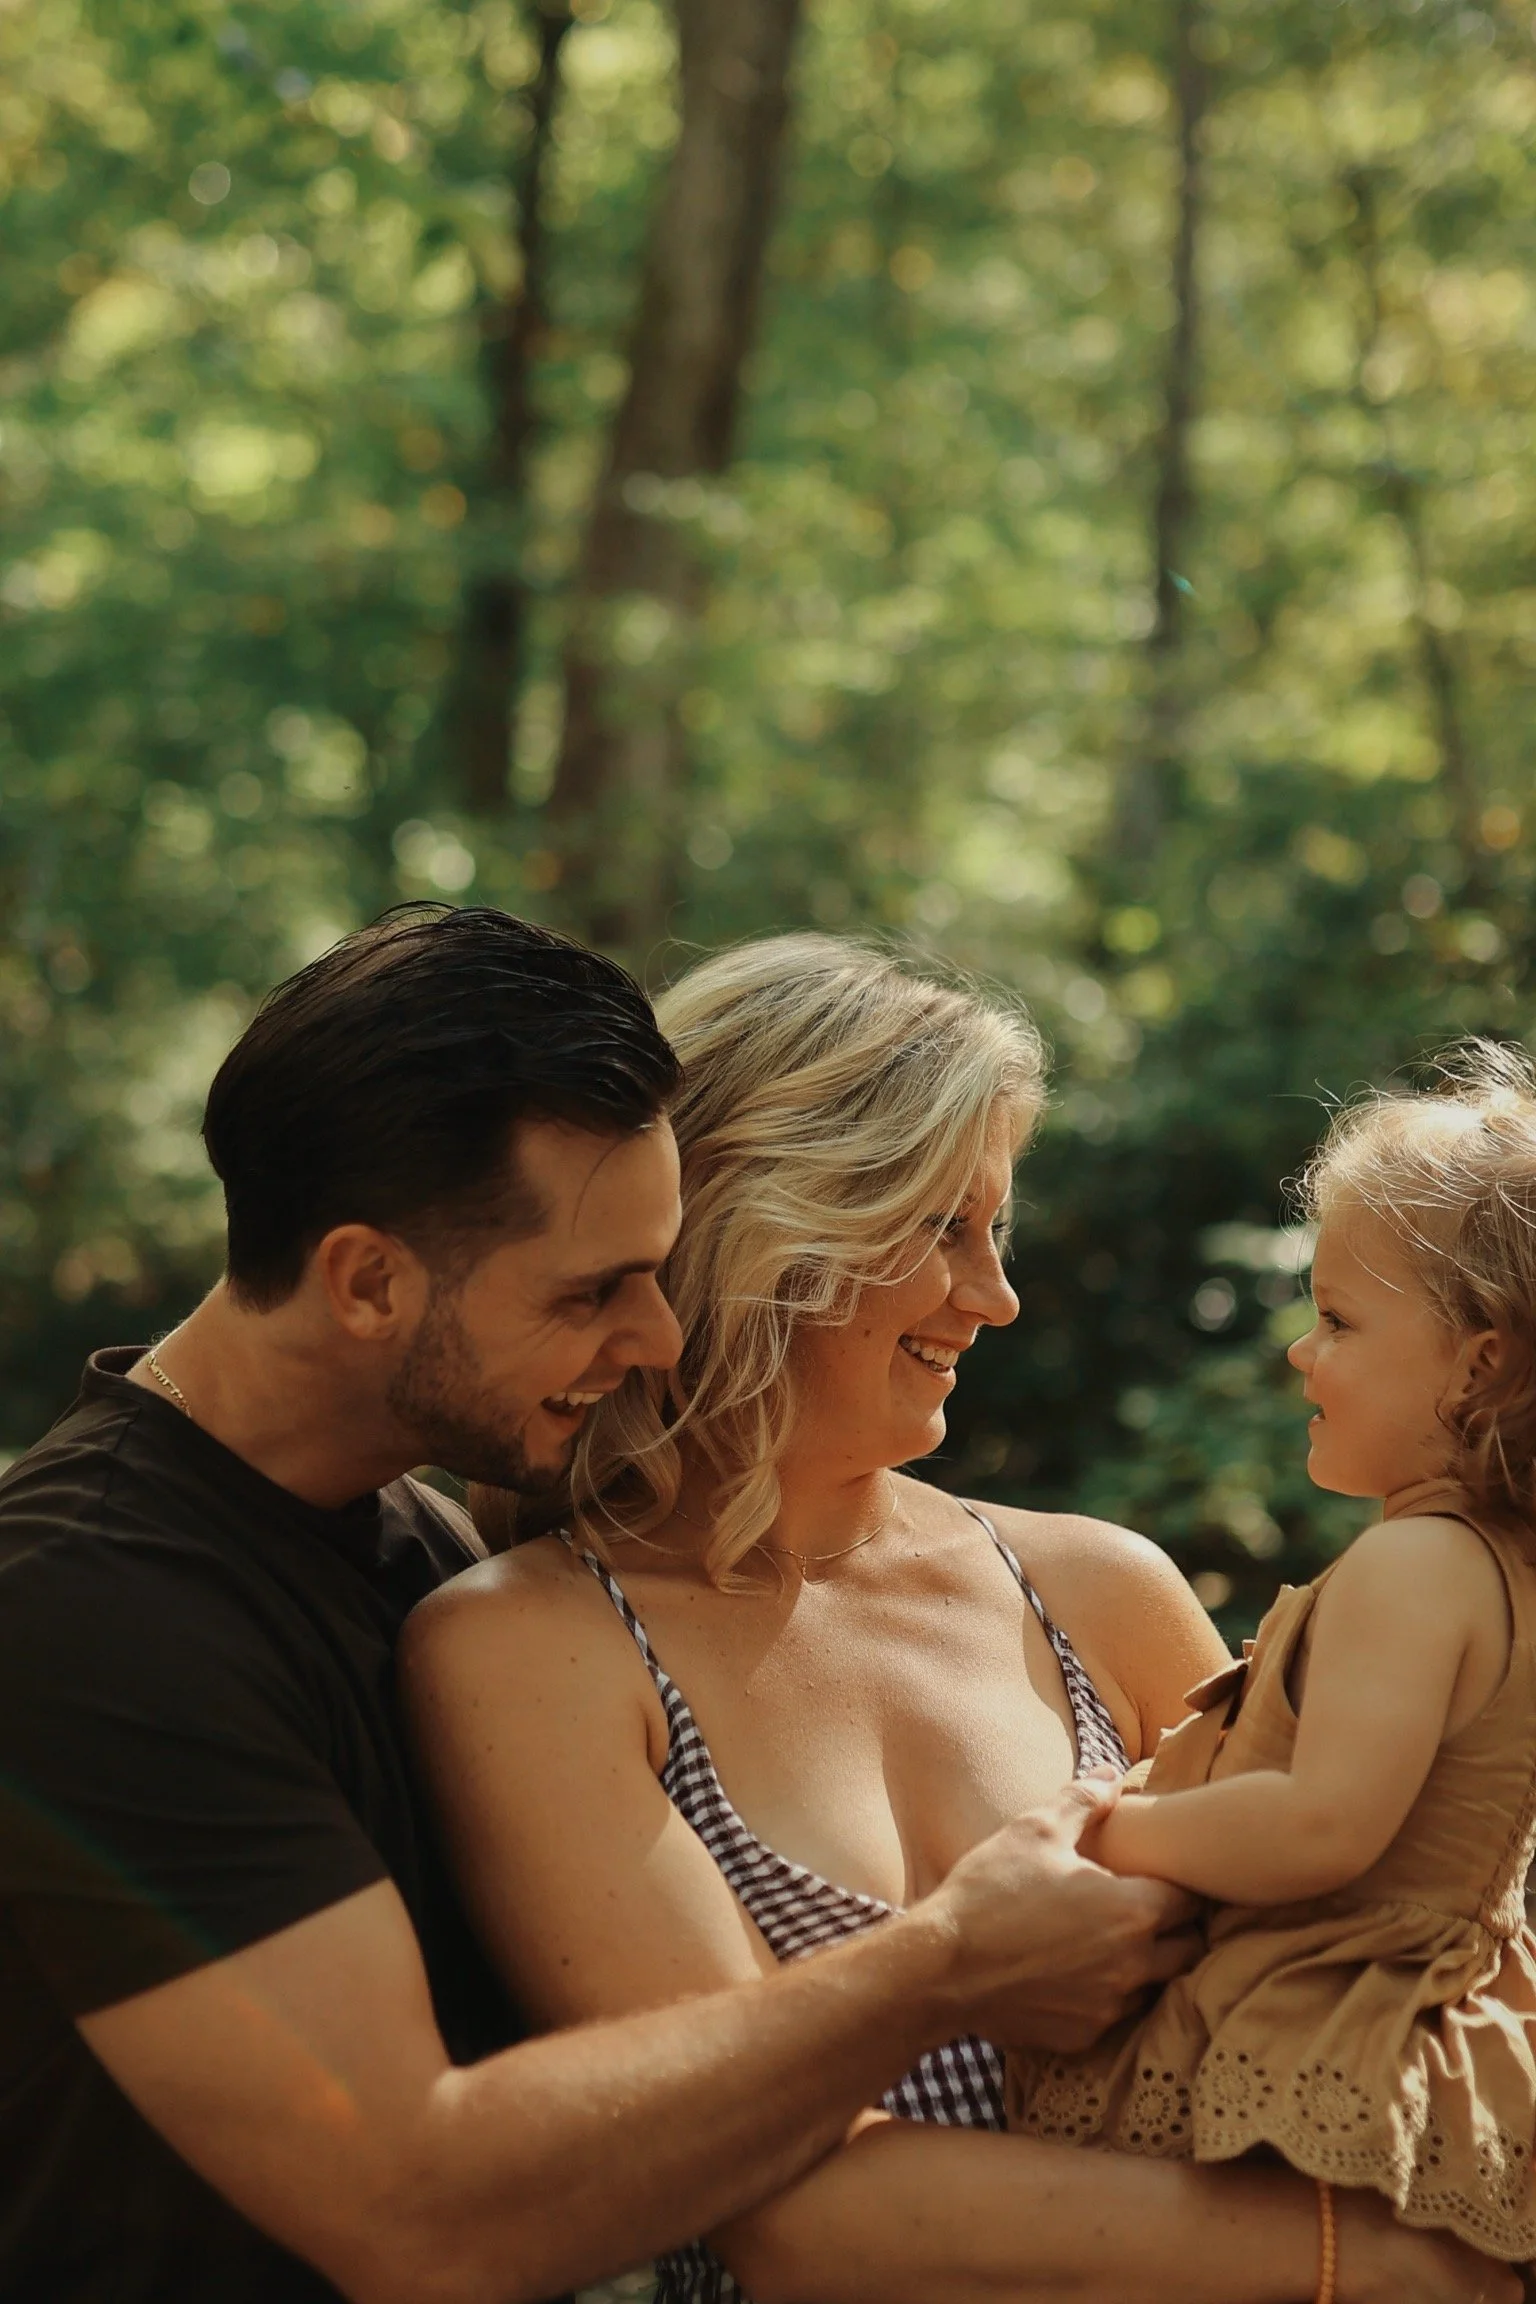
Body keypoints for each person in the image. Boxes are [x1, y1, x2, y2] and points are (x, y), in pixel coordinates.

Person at [0, 905, 1219, 2304]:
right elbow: (416, 2209)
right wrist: (940, 1970)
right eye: (600, 1290)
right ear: (367, 1280)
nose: (656, 1336)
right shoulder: (88, 1608)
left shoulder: (409, 1540)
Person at [402, 933, 1512, 2304]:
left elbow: (1382, 1974)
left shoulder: (1102, 1593)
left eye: (998, 1230)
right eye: (944, 1230)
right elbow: (801, 2227)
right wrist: (1383, 2261)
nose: (997, 1296)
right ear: (769, 1225)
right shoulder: (527, 1651)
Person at [1012, 1043, 1536, 2266]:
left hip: (1326, 2028)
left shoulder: (1420, 1568)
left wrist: (1100, 1830)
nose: (1302, 1353)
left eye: (1340, 1321)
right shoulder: (1498, 1567)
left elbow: (1318, 1827)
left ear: (1482, 1362)